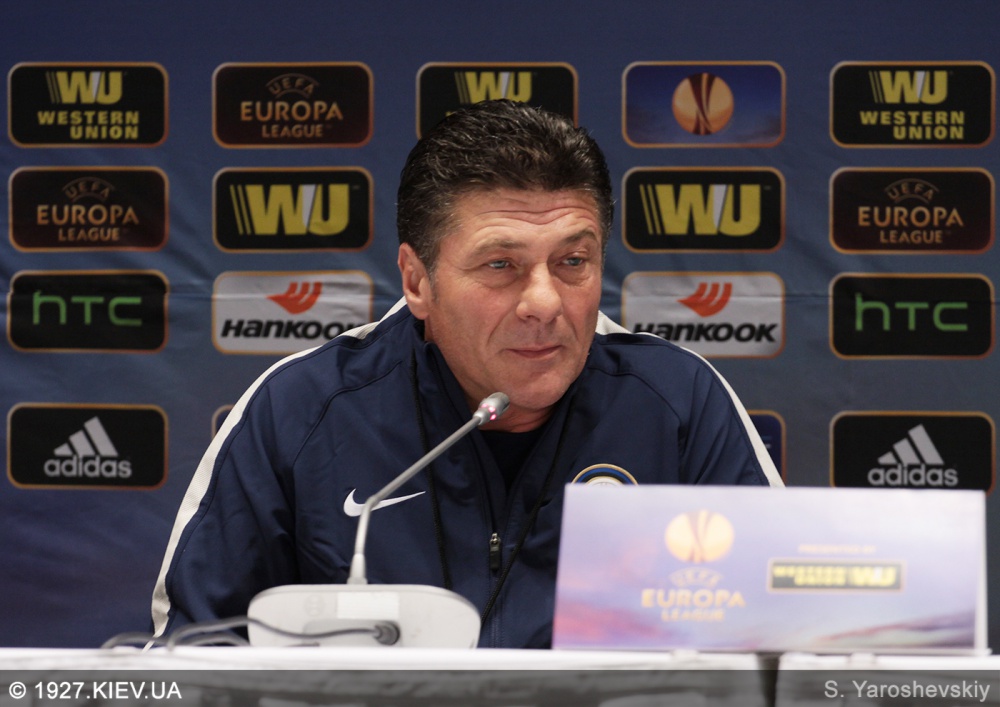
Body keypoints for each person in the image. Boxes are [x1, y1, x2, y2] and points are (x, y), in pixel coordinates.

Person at [150, 99, 782, 649]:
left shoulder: (677, 403)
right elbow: (190, 656)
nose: (545, 302)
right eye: (501, 265)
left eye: (573, 261)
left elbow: (783, 643)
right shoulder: (302, 410)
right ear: (417, 281)